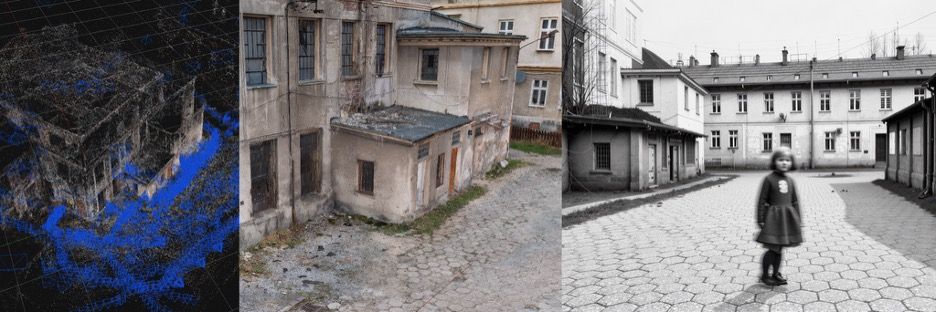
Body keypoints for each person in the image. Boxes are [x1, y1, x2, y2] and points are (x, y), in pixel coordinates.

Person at [755, 148, 802, 286]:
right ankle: (764, 275)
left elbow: (795, 201)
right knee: (773, 248)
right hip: (773, 219)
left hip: (786, 219)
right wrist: (761, 219)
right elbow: (762, 201)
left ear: (791, 163)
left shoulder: (791, 180)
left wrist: (798, 219)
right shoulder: (768, 179)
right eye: (781, 160)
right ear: (774, 162)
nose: (784, 163)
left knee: (780, 248)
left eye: (787, 160)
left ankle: (775, 273)